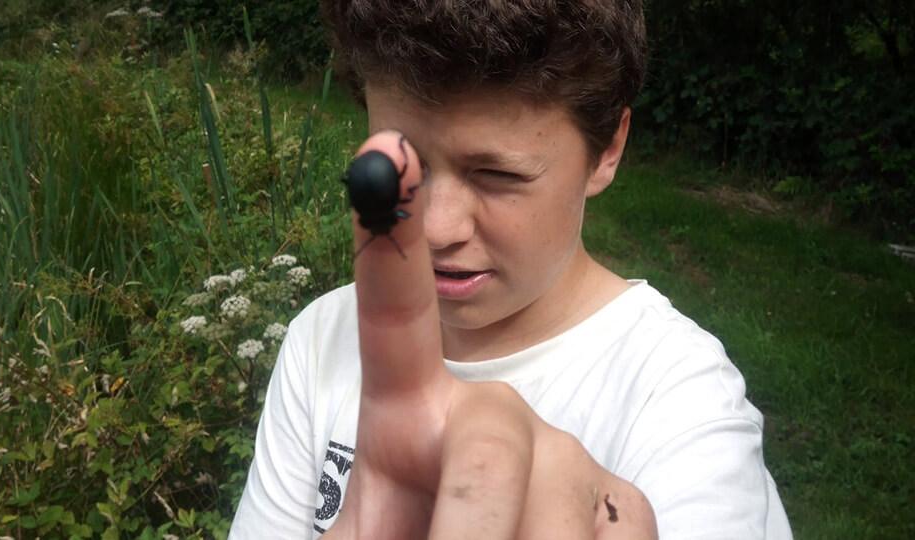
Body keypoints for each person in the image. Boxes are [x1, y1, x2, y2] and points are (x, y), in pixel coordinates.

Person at [231, 1, 793, 538]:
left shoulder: (681, 404)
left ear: (608, 149)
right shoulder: (322, 339)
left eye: (497, 175)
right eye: (404, 167)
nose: (435, 228)